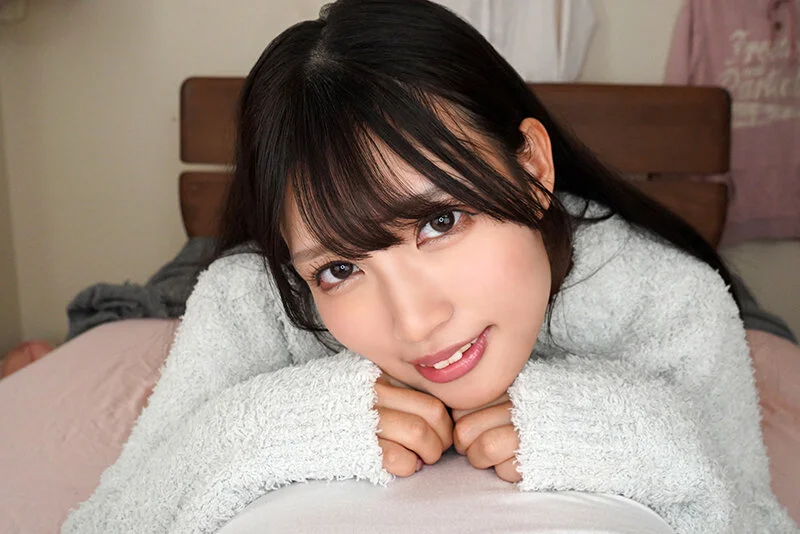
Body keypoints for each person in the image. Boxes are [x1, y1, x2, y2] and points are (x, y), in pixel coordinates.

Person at [62, 0, 799, 532]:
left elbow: (749, 516)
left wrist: (616, 429)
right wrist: (272, 429)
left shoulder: (666, 297)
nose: (416, 324)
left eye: (440, 222)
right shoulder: (248, 301)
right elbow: (111, 520)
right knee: (169, 286)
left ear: (533, 167)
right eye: (339, 269)